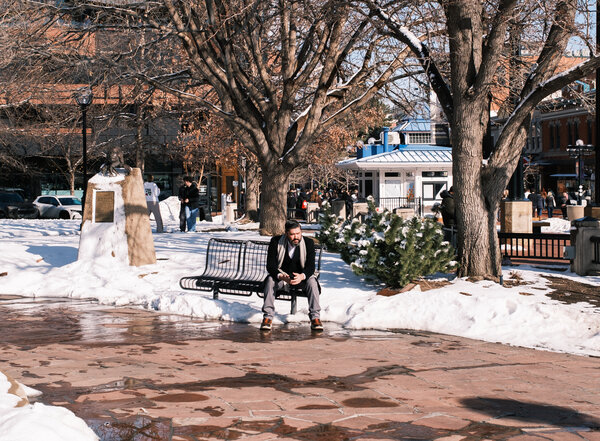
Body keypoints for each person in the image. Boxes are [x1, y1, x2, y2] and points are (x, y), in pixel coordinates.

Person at [260, 219, 322, 332]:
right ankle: (267, 317)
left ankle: (315, 318)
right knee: (270, 280)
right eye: (292, 234)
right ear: (286, 233)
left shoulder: (308, 243)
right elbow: (271, 266)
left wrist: (302, 276)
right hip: (282, 277)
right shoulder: (276, 242)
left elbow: (310, 267)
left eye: (298, 233)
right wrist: (281, 276)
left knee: (312, 282)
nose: (296, 237)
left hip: (302, 278)